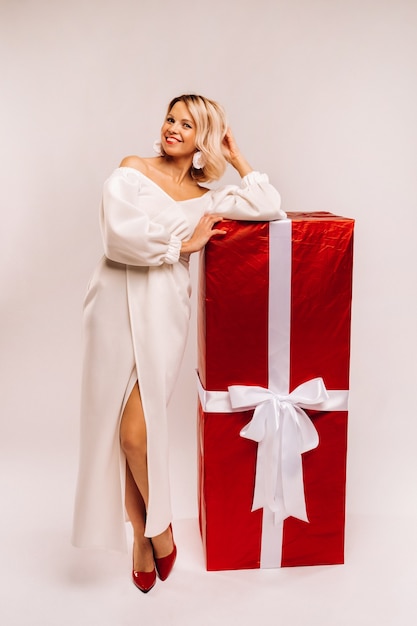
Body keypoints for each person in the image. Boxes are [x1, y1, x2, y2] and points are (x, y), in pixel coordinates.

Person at [71, 94, 287, 592]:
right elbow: (117, 238)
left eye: (187, 125)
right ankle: (148, 537)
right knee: (118, 433)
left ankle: (156, 529)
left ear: (200, 140)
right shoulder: (131, 169)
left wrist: (235, 157)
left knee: (136, 434)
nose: (173, 128)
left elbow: (267, 207)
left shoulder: (210, 198)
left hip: (165, 309)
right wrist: (182, 245)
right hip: (111, 306)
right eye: (171, 118)